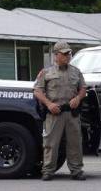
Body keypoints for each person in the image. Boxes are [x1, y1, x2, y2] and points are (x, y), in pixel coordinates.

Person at [34, 40, 88, 180]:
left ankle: (76, 170)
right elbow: (37, 91)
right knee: (51, 143)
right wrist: (48, 104)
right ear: (56, 55)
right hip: (54, 113)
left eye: (68, 53)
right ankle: (48, 171)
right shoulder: (46, 72)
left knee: (75, 143)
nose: (67, 56)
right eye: (64, 54)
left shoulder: (76, 71)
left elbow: (83, 88)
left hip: (71, 112)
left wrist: (78, 98)